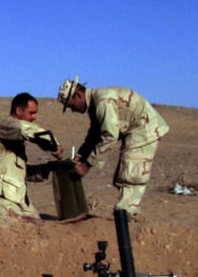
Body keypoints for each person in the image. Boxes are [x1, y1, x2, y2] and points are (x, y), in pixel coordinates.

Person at [58, 76, 169, 216]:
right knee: (122, 176)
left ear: (78, 95)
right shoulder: (95, 104)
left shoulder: (102, 102)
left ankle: (127, 212)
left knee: (131, 173)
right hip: (134, 130)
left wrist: (87, 165)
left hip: (144, 128)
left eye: (70, 105)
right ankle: (126, 212)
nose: (72, 110)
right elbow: (94, 135)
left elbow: (110, 136)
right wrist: (80, 156)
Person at [0, 92, 64, 218]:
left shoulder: (16, 141)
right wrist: (53, 143)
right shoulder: (3, 124)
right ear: (18, 110)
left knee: (38, 225)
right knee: (17, 221)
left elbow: (19, 173)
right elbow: (24, 128)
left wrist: (48, 168)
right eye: (31, 113)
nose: (35, 117)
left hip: (16, 197)